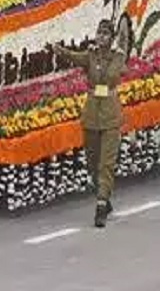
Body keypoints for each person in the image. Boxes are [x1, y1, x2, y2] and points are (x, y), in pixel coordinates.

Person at [55, 19, 125, 227]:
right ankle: (103, 194)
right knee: (92, 162)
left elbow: (111, 75)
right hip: (92, 115)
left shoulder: (118, 56)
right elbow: (75, 57)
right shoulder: (91, 55)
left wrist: (106, 57)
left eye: (105, 34)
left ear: (111, 38)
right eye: (99, 33)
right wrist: (60, 51)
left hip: (110, 115)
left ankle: (101, 205)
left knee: (106, 164)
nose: (101, 36)